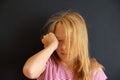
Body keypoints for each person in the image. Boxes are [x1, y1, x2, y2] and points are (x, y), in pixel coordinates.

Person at [23, 11, 107, 80]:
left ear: (80, 41)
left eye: (70, 41)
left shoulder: (93, 71)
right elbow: (29, 71)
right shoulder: (48, 64)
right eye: (59, 40)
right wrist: (52, 46)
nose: (63, 47)